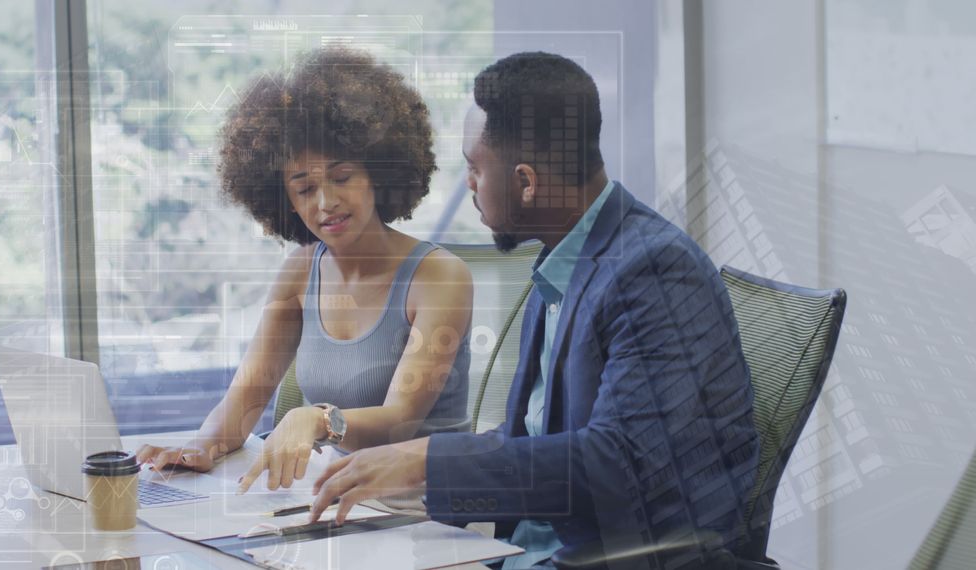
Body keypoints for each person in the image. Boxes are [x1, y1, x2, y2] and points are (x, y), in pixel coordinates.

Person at [308, 52, 760, 567]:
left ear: (526, 181)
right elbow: (540, 440)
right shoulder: (562, 259)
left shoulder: (654, 270)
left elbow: (619, 464)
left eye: (475, 168)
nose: (468, 185)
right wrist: (406, 487)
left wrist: (428, 460)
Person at [135, 48, 473, 495]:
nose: (325, 202)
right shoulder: (300, 270)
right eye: (305, 188)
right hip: (334, 496)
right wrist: (203, 445)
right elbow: (246, 396)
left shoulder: (440, 277)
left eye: (342, 177)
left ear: (378, 172)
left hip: (424, 508)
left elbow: (399, 421)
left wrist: (318, 418)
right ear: (285, 202)